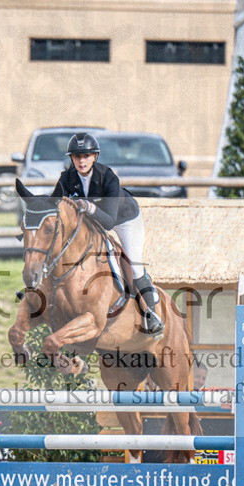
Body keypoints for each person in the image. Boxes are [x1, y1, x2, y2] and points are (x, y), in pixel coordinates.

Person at [51, 132, 163, 336]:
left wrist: (88, 206)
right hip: (92, 222)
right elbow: (55, 205)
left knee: (134, 265)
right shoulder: (66, 178)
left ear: (95, 157)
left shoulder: (108, 177)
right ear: (71, 159)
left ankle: (151, 315)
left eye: (86, 156)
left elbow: (110, 221)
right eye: (77, 156)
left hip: (124, 220)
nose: (81, 160)